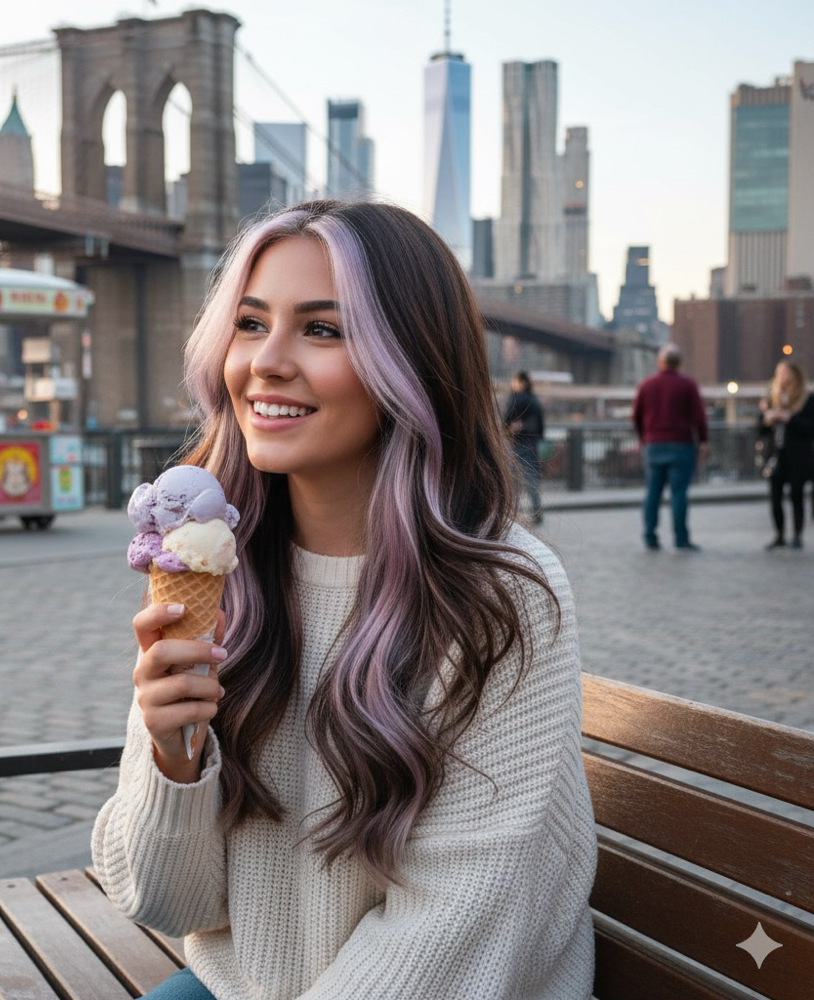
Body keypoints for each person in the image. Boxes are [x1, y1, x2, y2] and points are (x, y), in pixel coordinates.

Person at [92, 200, 597, 999]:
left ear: (413, 363)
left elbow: (448, 935)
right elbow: (166, 902)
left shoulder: (501, 595)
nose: (266, 361)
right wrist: (174, 756)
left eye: (322, 330)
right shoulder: (221, 567)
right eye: (251, 323)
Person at [632, 343, 708, 551]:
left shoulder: (646, 384)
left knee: (652, 493)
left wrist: (644, 438)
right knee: (679, 493)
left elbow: (636, 416)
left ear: (660, 362)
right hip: (681, 445)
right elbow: (699, 417)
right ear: (679, 363)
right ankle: (681, 539)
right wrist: (702, 441)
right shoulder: (688, 385)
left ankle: (650, 537)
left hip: (653, 445)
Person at [758, 361, 814, 550]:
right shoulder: (771, 399)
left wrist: (788, 418)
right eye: (778, 372)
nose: (781, 376)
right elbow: (761, 430)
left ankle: (797, 535)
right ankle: (779, 535)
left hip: (799, 455)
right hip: (776, 456)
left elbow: (810, 428)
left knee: (797, 495)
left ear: (795, 375)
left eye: (785, 372)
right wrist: (766, 417)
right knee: (775, 496)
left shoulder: (807, 399)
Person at [503, 370, 546, 524]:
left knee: (512, 479)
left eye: (514, 381)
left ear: (521, 382)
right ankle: (537, 511)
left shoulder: (517, 397)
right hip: (532, 444)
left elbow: (506, 418)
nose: (511, 384)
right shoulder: (534, 399)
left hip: (518, 443)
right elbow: (541, 425)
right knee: (531, 478)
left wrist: (507, 429)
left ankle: (509, 514)